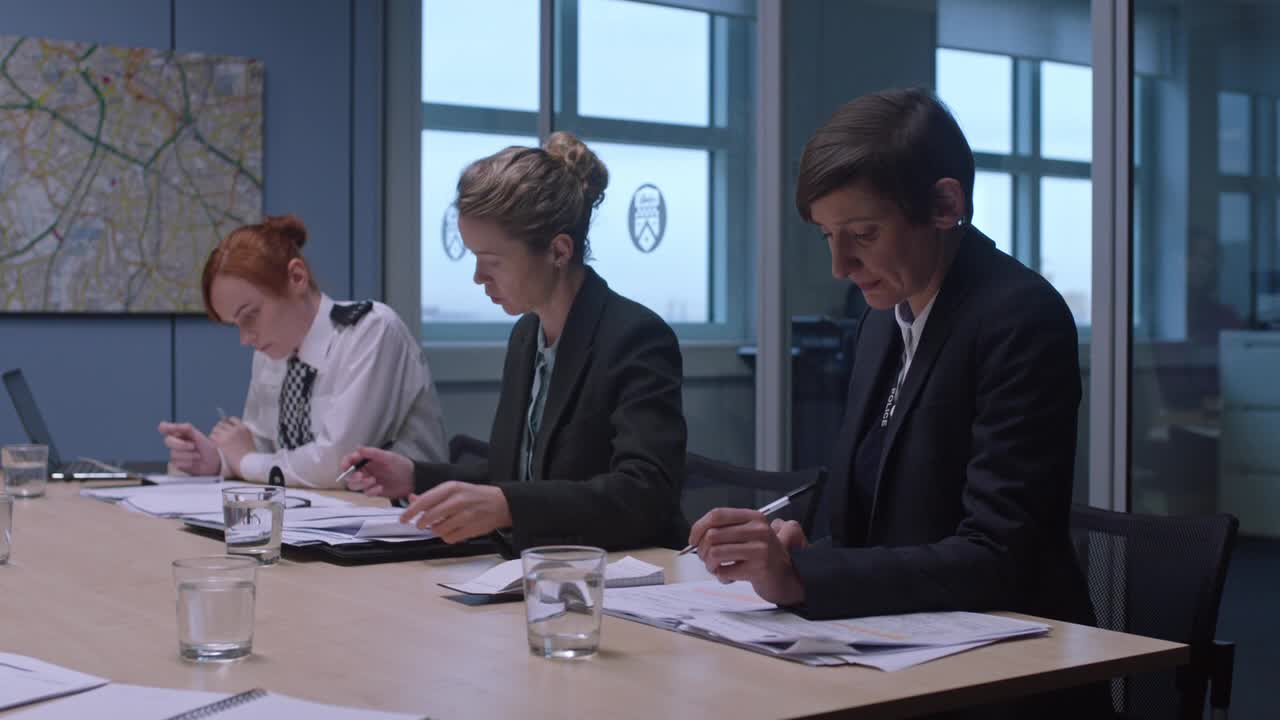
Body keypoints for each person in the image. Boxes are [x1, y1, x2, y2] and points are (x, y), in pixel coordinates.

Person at [688, 89, 1105, 717]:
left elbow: (998, 556)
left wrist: (806, 578)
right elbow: (884, 523)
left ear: (944, 206)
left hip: (1007, 682)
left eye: (862, 234)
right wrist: (804, 551)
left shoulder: (1020, 318)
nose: (840, 265)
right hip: (899, 658)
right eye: (828, 236)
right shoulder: (883, 319)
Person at [342, 132, 688, 556]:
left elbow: (645, 494)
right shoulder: (527, 335)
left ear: (559, 251)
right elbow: (518, 477)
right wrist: (415, 476)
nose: (478, 278)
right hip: (542, 568)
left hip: (628, 572)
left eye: (492, 262)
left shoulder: (635, 337)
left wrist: (508, 506)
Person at [157, 214, 448, 488]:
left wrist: (243, 461)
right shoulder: (270, 353)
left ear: (297, 277)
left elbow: (335, 464)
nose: (245, 338)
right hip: (317, 516)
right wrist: (218, 461)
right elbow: (260, 450)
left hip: (400, 517)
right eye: (235, 325)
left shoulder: (371, 330)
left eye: (250, 315)